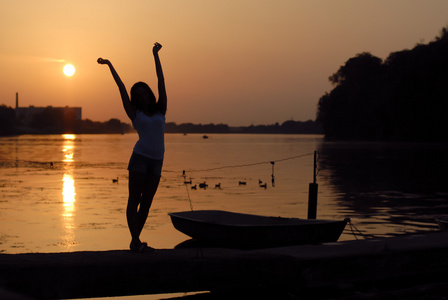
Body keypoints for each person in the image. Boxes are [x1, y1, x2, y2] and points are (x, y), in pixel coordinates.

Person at [98, 42, 167, 252]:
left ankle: (135, 241)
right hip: (140, 158)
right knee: (134, 200)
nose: (142, 96)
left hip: (157, 161)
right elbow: (120, 87)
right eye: (138, 95)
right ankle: (136, 241)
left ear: (149, 93)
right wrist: (109, 64)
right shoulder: (134, 113)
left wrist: (155, 55)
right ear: (135, 99)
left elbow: (161, 80)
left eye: (144, 93)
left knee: (147, 202)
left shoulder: (160, 109)